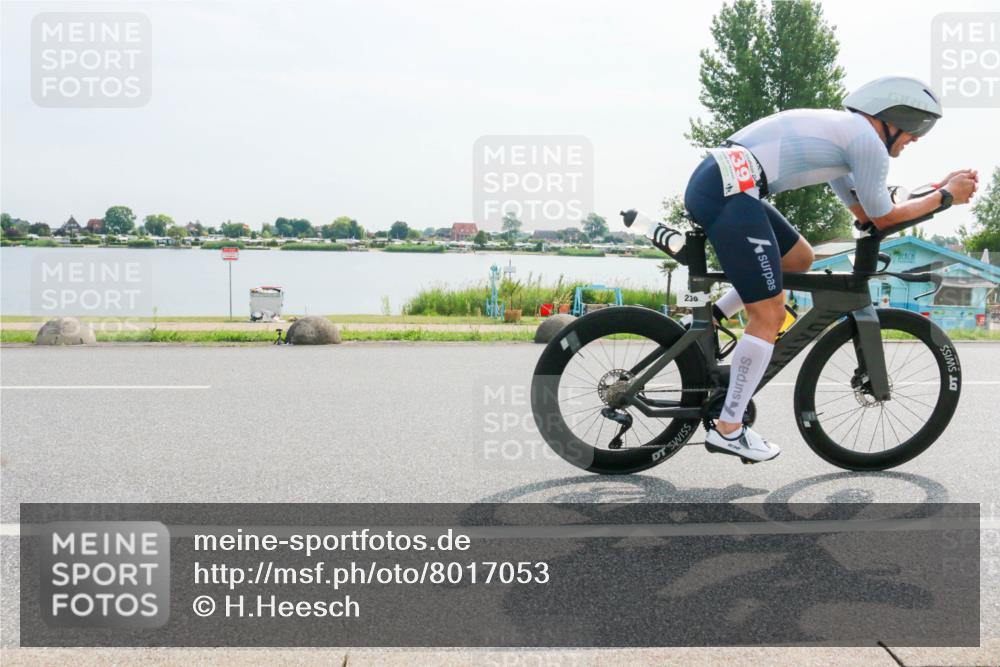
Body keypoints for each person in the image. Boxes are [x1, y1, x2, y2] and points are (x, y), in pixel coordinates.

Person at [682, 75, 979, 462]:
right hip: (731, 190)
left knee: (800, 259)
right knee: (769, 314)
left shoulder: (847, 140)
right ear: (895, 116)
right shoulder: (865, 141)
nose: (917, 138)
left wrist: (933, 191)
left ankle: (714, 317)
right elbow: (883, 217)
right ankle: (729, 428)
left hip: (728, 183)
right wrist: (944, 198)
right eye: (916, 127)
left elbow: (866, 213)